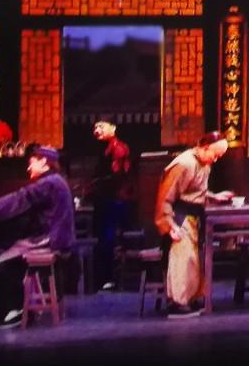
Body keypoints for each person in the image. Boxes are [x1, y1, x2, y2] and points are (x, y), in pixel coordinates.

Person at [0, 146, 75, 328]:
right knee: (7, 251)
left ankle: (13, 313)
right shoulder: (56, 181)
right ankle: (15, 309)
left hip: (49, 240)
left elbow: (22, 197)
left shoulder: (50, 183)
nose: (28, 167)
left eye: (31, 163)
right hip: (51, 238)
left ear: (43, 162)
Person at [153, 132, 234, 319]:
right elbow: (165, 197)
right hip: (179, 217)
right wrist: (169, 225)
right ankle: (177, 302)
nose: (215, 159)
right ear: (204, 148)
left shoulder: (203, 164)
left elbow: (196, 191)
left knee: (195, 260)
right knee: (183, 259)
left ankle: (191, 297)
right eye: (215, 155)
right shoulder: (184, 163)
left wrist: (214, 197)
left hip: (194, 217)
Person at [92, 117, 138, 290]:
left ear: (113, 128)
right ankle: (103, 278)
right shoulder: (102, 148)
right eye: (95, 127)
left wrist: (95, 185)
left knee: (110, 239)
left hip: (115, 199)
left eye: (101, 126)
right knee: (103, 239)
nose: (97, 130)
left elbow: (116, 176)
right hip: (105, 199)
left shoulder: (118, 148)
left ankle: (111, 279)